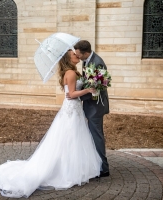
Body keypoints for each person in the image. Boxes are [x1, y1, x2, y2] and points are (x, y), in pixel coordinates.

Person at [0, 49, 102, 198]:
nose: (77, 56)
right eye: (74, 54)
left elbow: (71, 93)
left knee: (70, 139)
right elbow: (72, 94)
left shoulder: (70, 71)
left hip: (72, 109)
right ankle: (66, 170)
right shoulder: (71, 73)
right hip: (71, 110)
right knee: (70, 138)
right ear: (68, 59)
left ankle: (68, 167)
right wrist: (88, 89)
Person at [73, 40, 110, 177]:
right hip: (90, 104)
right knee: (92, 135)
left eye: (78, 54)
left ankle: (103, 168)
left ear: (85, 52)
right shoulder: (86, 61)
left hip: (96, 106)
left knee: (96, 136)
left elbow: (99, 88)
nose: (77, 57)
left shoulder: (97, 62)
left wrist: (78, 96)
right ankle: (96, 163)